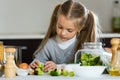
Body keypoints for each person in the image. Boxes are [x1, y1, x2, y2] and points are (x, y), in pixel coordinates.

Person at [30, 0, 110, 72]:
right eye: (60, 27)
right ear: (56, 21)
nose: (63, 33)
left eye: (69, 30)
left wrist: (57, 67)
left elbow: (89, 67)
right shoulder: (49, 44)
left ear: (80, 28)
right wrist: (35, 65)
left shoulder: (84, 44)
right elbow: (39, 61)